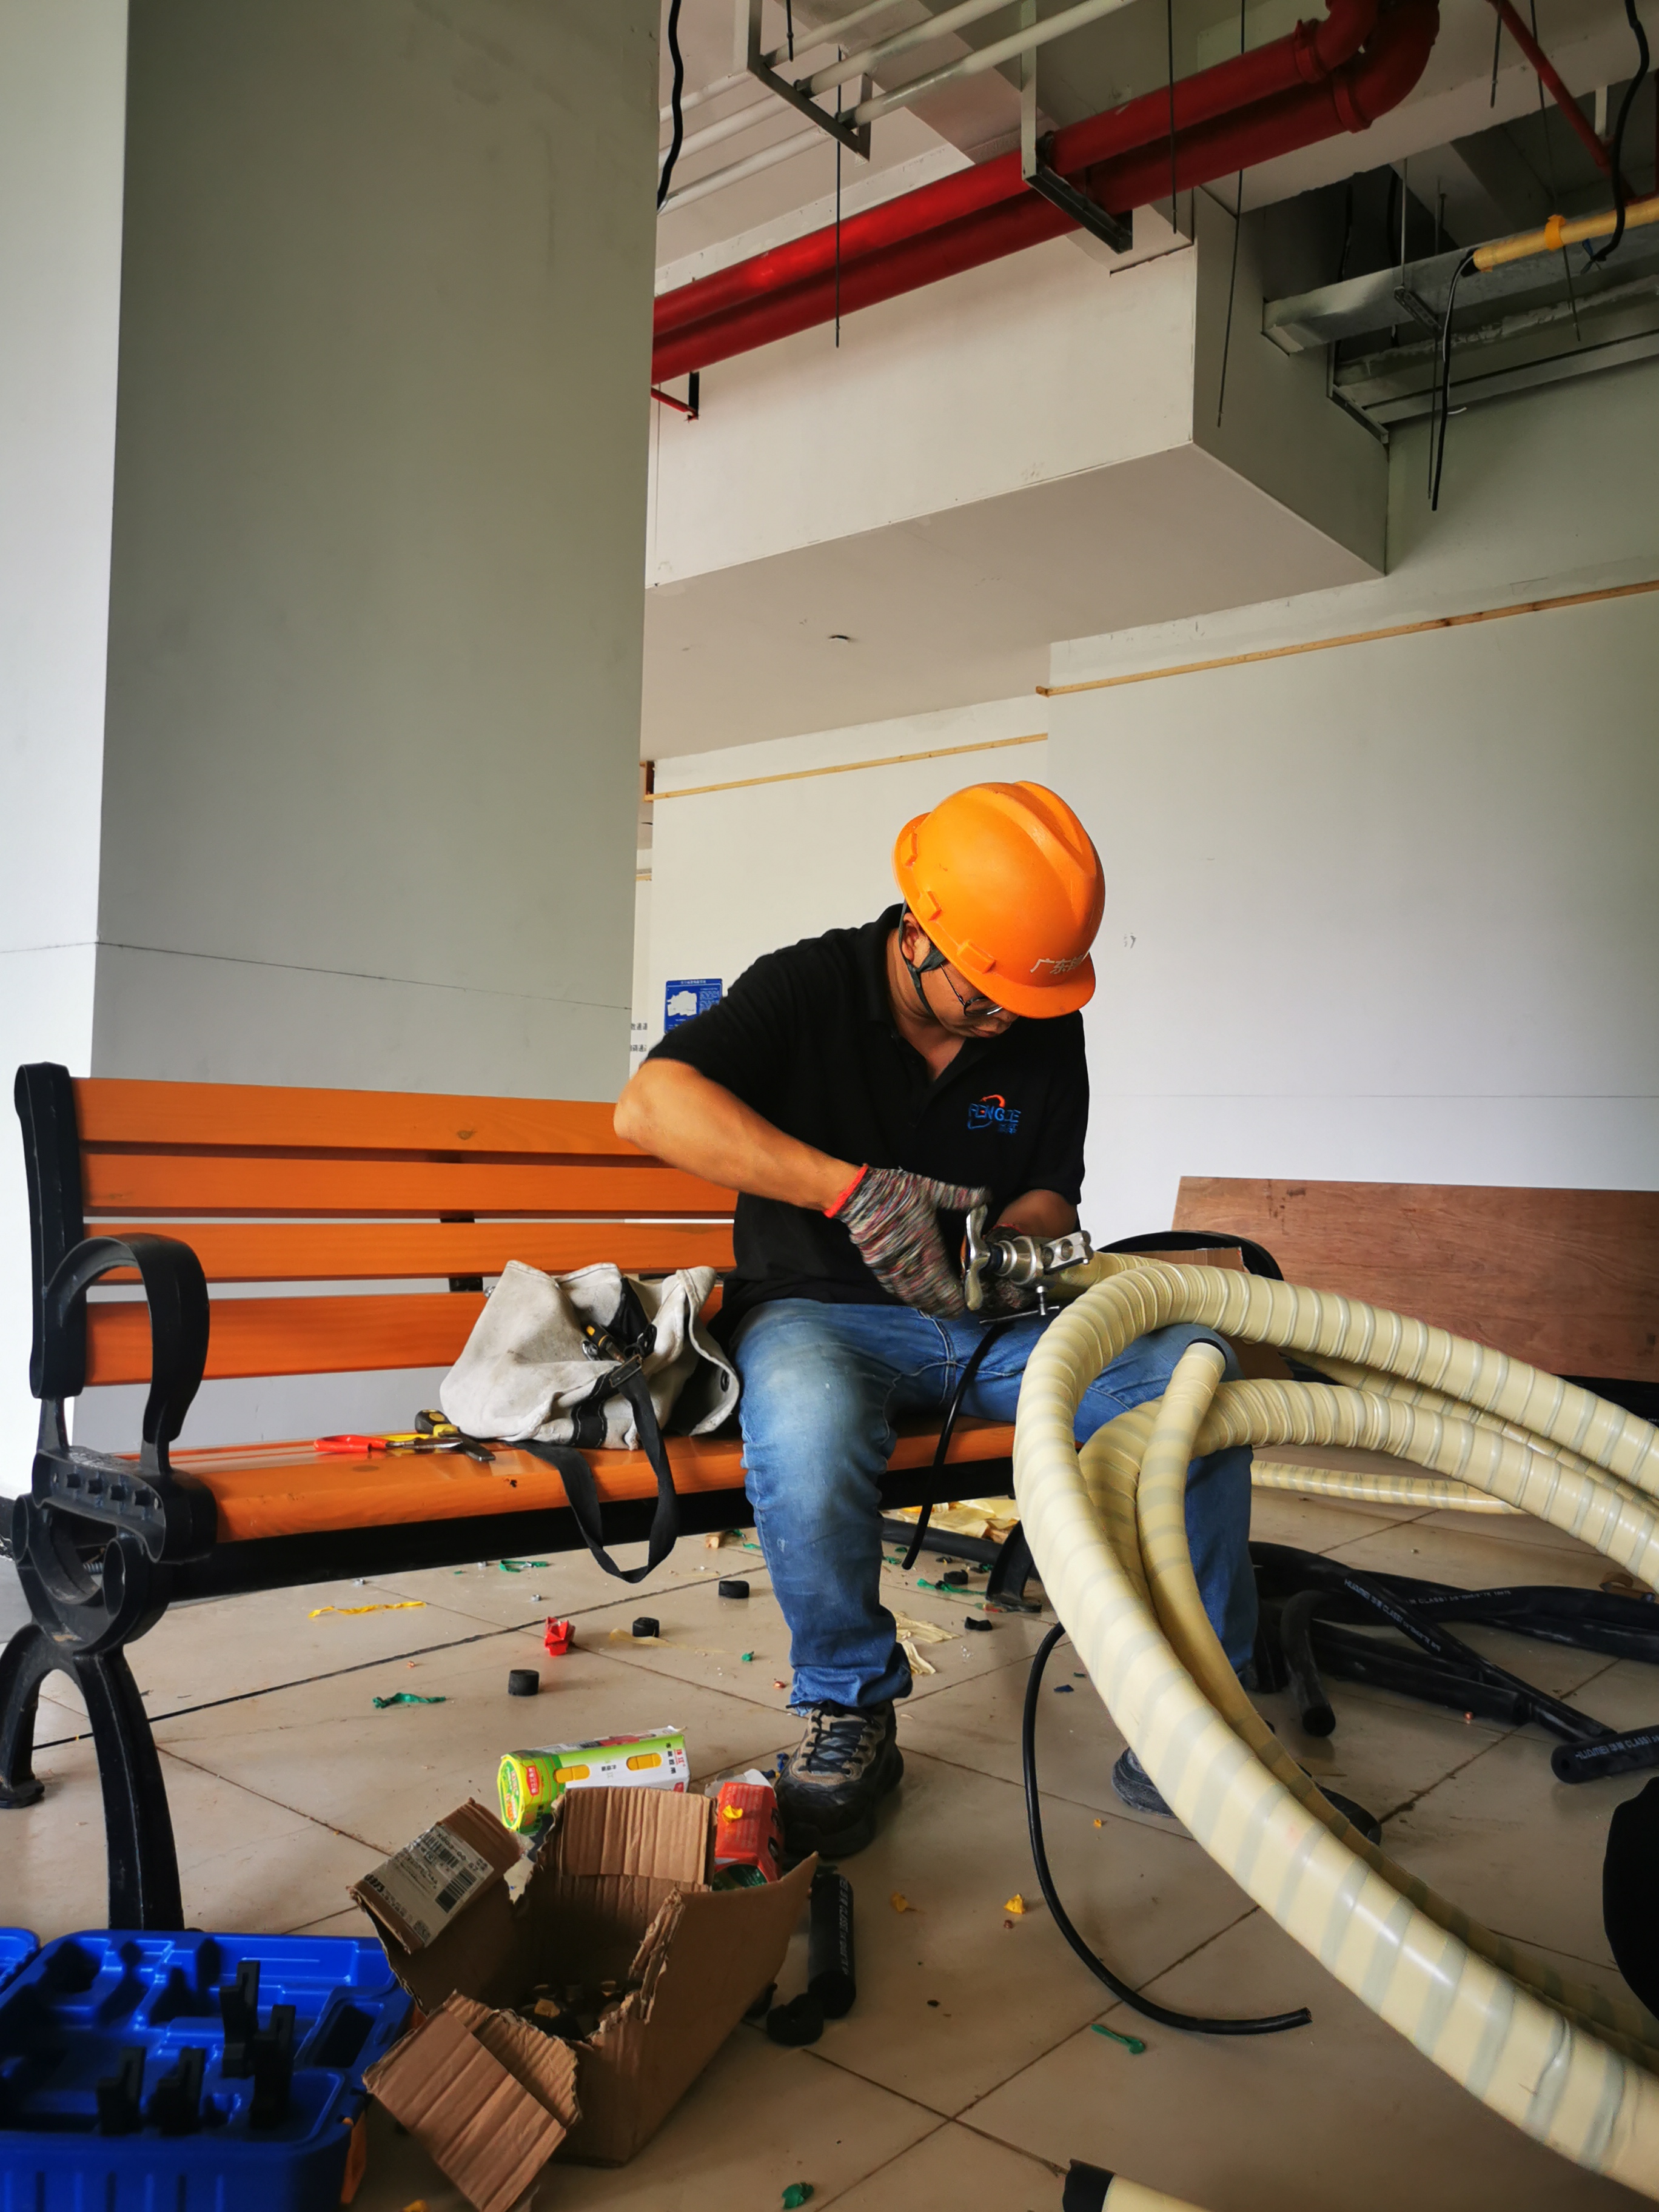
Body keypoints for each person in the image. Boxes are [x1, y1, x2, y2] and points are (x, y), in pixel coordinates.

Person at [614, 782, 1253, 1858]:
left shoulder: (1041, 1018)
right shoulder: (808, 986)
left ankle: (1202, 1723)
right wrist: (850, 1192)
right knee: (806, 1423)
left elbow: (1051, 1191)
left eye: (1023, 1003)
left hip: (992, 1325)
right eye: (985, 996)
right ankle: (849, 1708)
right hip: (818, 1316)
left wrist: (1005, 1251)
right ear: (919, 932)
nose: (1006, 1020)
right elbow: (649, 1106)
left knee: (1192, 1377)